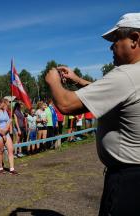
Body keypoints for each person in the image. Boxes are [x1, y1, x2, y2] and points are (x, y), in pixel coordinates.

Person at [45, 13, 140, 215]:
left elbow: (66, 104)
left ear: (134, 39)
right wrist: (79, 81)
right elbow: (120, 96)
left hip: (127, 180)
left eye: (115, 39)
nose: (111, 47)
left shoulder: (125, 74)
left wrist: (53, 80)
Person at [0, 98, 18, 175]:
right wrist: (2, 134)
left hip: (6, 133)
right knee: (0, 151)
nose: (6, 104)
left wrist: (7, 128)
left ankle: (12, 168)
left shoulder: (4, 111)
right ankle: (0, 168)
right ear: (1, 103)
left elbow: (7, 121)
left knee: (11, 149)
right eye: (4, 103)